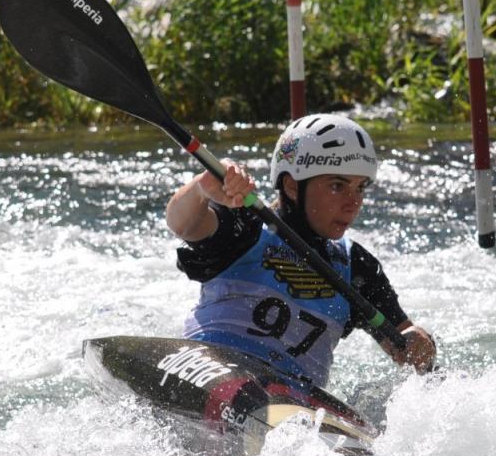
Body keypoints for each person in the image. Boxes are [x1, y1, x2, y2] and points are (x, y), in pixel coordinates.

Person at [165, 113, 436, 389]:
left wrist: (418, 343)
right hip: (210, 373)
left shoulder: (356, 266)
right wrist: (200, 188)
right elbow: (184, 224)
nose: (353, 202)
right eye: (337, 186)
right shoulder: (245, 225)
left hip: (292, 401)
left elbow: (404, 340)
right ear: (293, 186)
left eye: (360, 188)